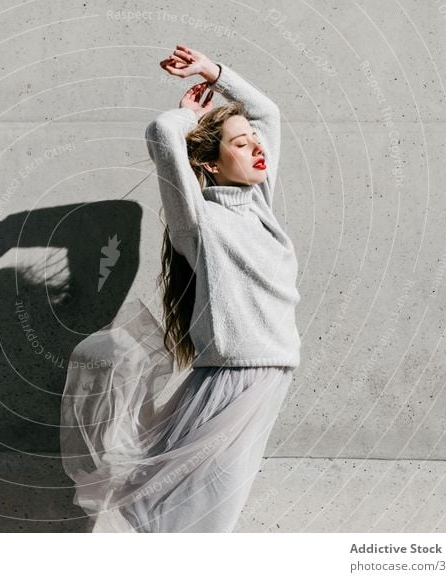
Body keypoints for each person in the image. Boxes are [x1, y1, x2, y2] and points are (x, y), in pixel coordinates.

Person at [60, 44, 301, 532]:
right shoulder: (199, 221)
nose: (257, 147)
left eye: (255, 141)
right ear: (210, 164)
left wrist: (213, 71)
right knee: (199, 517)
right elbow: (160, 134)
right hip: (235, 378)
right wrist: (185, 116)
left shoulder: (261, 206)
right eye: (240, 143)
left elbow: (267, 112)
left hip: (267, 376)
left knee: (192, 512)